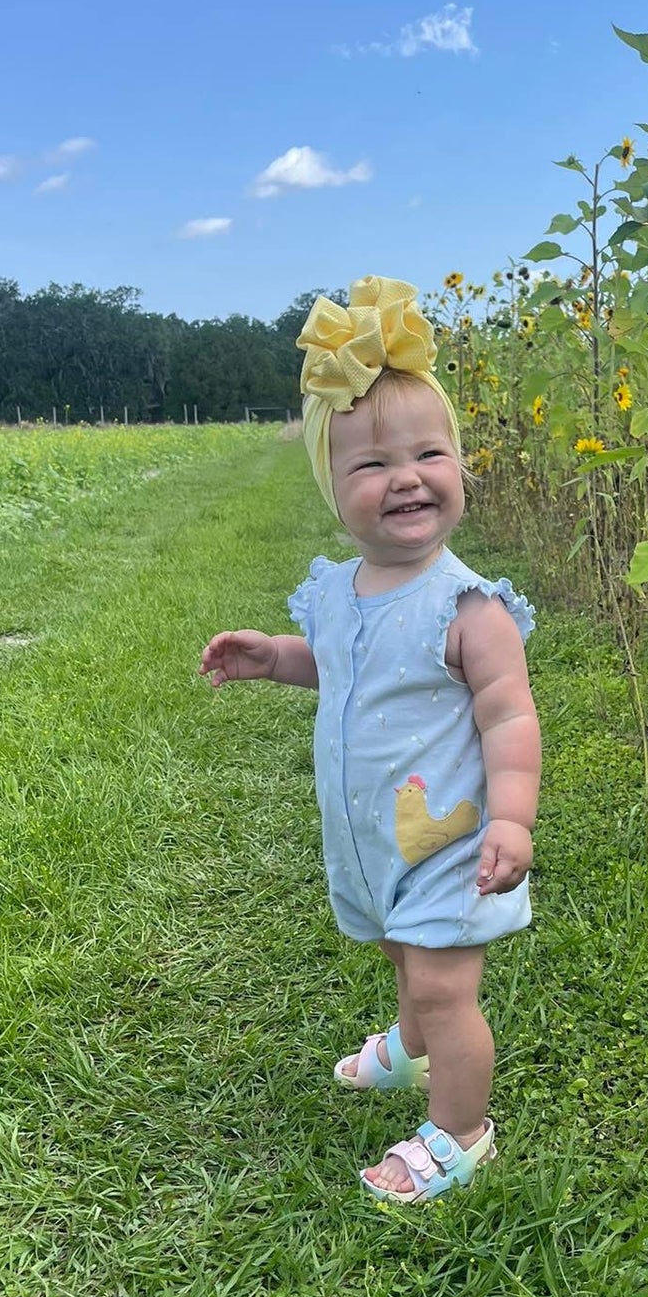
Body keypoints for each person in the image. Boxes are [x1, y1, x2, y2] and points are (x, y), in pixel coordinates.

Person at [199, 276, 541, 1205]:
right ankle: (407, 1049)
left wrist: (513, 817)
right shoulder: (342, 590)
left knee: (442, 983)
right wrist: (277, 657)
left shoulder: (471, 606)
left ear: (460, 468)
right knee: (401, 955)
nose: (406, 477)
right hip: (371, 837)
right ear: (331, 488)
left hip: (449, 840)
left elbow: (508, 716)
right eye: (371, 464)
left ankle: (460, 1130)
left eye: (431, 453)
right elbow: (344, 665)